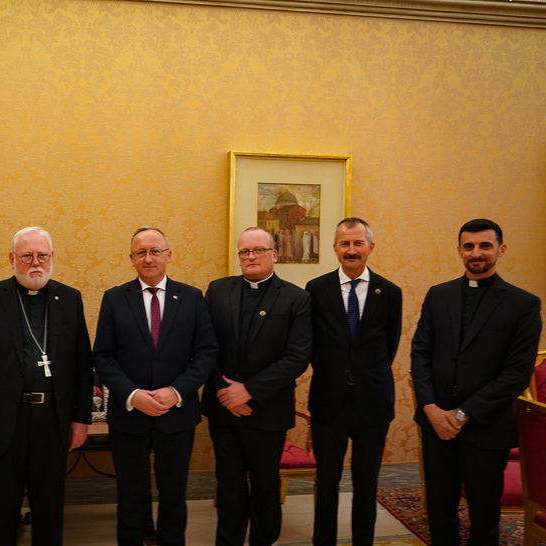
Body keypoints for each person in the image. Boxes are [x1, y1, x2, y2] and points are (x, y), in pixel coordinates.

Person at [411, 218, 541, 546]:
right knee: (440, 510)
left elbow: (516, 373)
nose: (476, 253)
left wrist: (462, 414)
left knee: (484, 515)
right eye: (469, 246)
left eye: (485, 245)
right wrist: (431, 408)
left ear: (501, 249)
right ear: (459, 251)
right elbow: (420, 355)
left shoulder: (523, 304)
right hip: (436, 423)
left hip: (486, 426)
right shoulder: (438, 295)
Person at [0, 226, 93, 546]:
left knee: (49, 509)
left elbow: (82, 365)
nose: (36, 263)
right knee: (2, 510)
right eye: (27, 256)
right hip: (4, 420)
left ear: (52, 258)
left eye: (42, 256)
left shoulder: (70, 298)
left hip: (53, 419)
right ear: (11, 259)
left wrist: (81, 418)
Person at [92, 226, 218, 546]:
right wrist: (133, 395)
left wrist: (176, 391)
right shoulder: (115, 298)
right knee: (130, 497)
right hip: (129, 417)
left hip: (177, 416)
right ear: (131, 259)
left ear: (169, 255)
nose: (149, 258)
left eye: (155, 251)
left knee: (174, 496)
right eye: (141, 253)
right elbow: (103, 358)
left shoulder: (191, 297)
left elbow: (206, 354)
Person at [203, 227, 312, 546]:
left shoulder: (297, 298)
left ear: (274, 254)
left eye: (258, 250)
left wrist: (247, 391)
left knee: (266, 487)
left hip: (267, 410)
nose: (250, 257)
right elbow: (203, 346)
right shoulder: (217, 290)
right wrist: (226, 392)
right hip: (223, 409)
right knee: (229, 485)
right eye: (244, 252)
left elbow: (297, 357)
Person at [305, 217, 402, 546]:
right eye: (345, 243)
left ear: (370, 248)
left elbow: (389, 345)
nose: (351, 250)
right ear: (334, 249)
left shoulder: (389, 292)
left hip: (372, 403)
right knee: (327, 481)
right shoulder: (316, 289)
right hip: (328, 401)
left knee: (366, 484)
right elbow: (311, 345)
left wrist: (362, 374)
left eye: (358, 243)